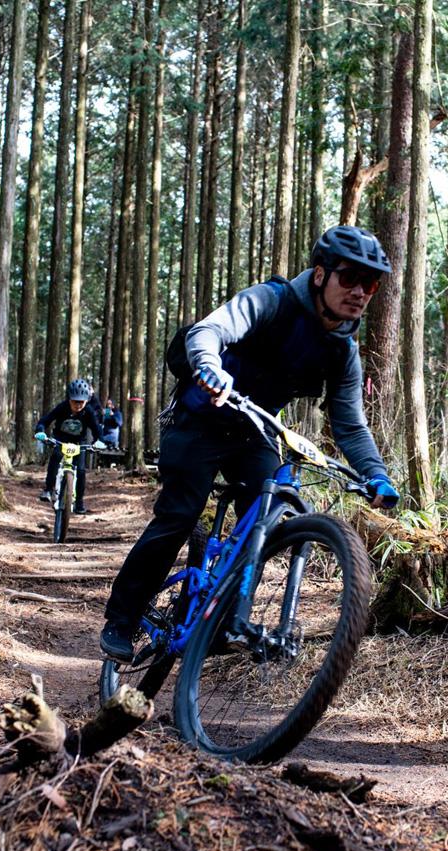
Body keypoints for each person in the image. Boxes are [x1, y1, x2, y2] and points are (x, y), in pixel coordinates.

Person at [99, 225, 401, 661]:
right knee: (180, 515)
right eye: (350, 277)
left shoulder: (342, 350)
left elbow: (350, 424)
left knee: (267, 521)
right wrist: (209, 367)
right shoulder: (272, 300)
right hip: (199, 421)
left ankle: (221, 623)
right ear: (320, 275)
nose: (360, 291)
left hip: (256, 431)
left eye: (370, 283)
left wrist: (375, 473)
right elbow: (208, 331)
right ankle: (122, 620)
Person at [35, 378, 105, 515]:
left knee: (81, 470)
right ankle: (48, 489)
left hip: (80, 442)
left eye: (81, 402)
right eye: (75, 402)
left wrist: (99, 441)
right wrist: (40, 430)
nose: (78, 405)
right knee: (55, 457)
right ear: (69, 399)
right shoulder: (62, 407)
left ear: (86, 401)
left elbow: (97, 430)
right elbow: (45, 420)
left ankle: (79, 503)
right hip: (61, 439)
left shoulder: (88, 412)